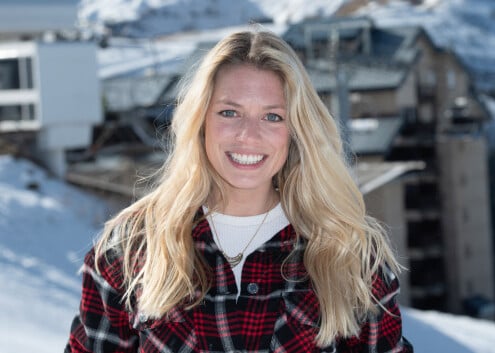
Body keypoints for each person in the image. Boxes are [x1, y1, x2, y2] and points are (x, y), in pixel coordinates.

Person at [65, 28, 413, 353]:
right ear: (200, 120)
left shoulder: (347, 253)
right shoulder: (131, 248)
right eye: (230, 112)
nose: (249, 135)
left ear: (296, 130)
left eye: (272, 116)